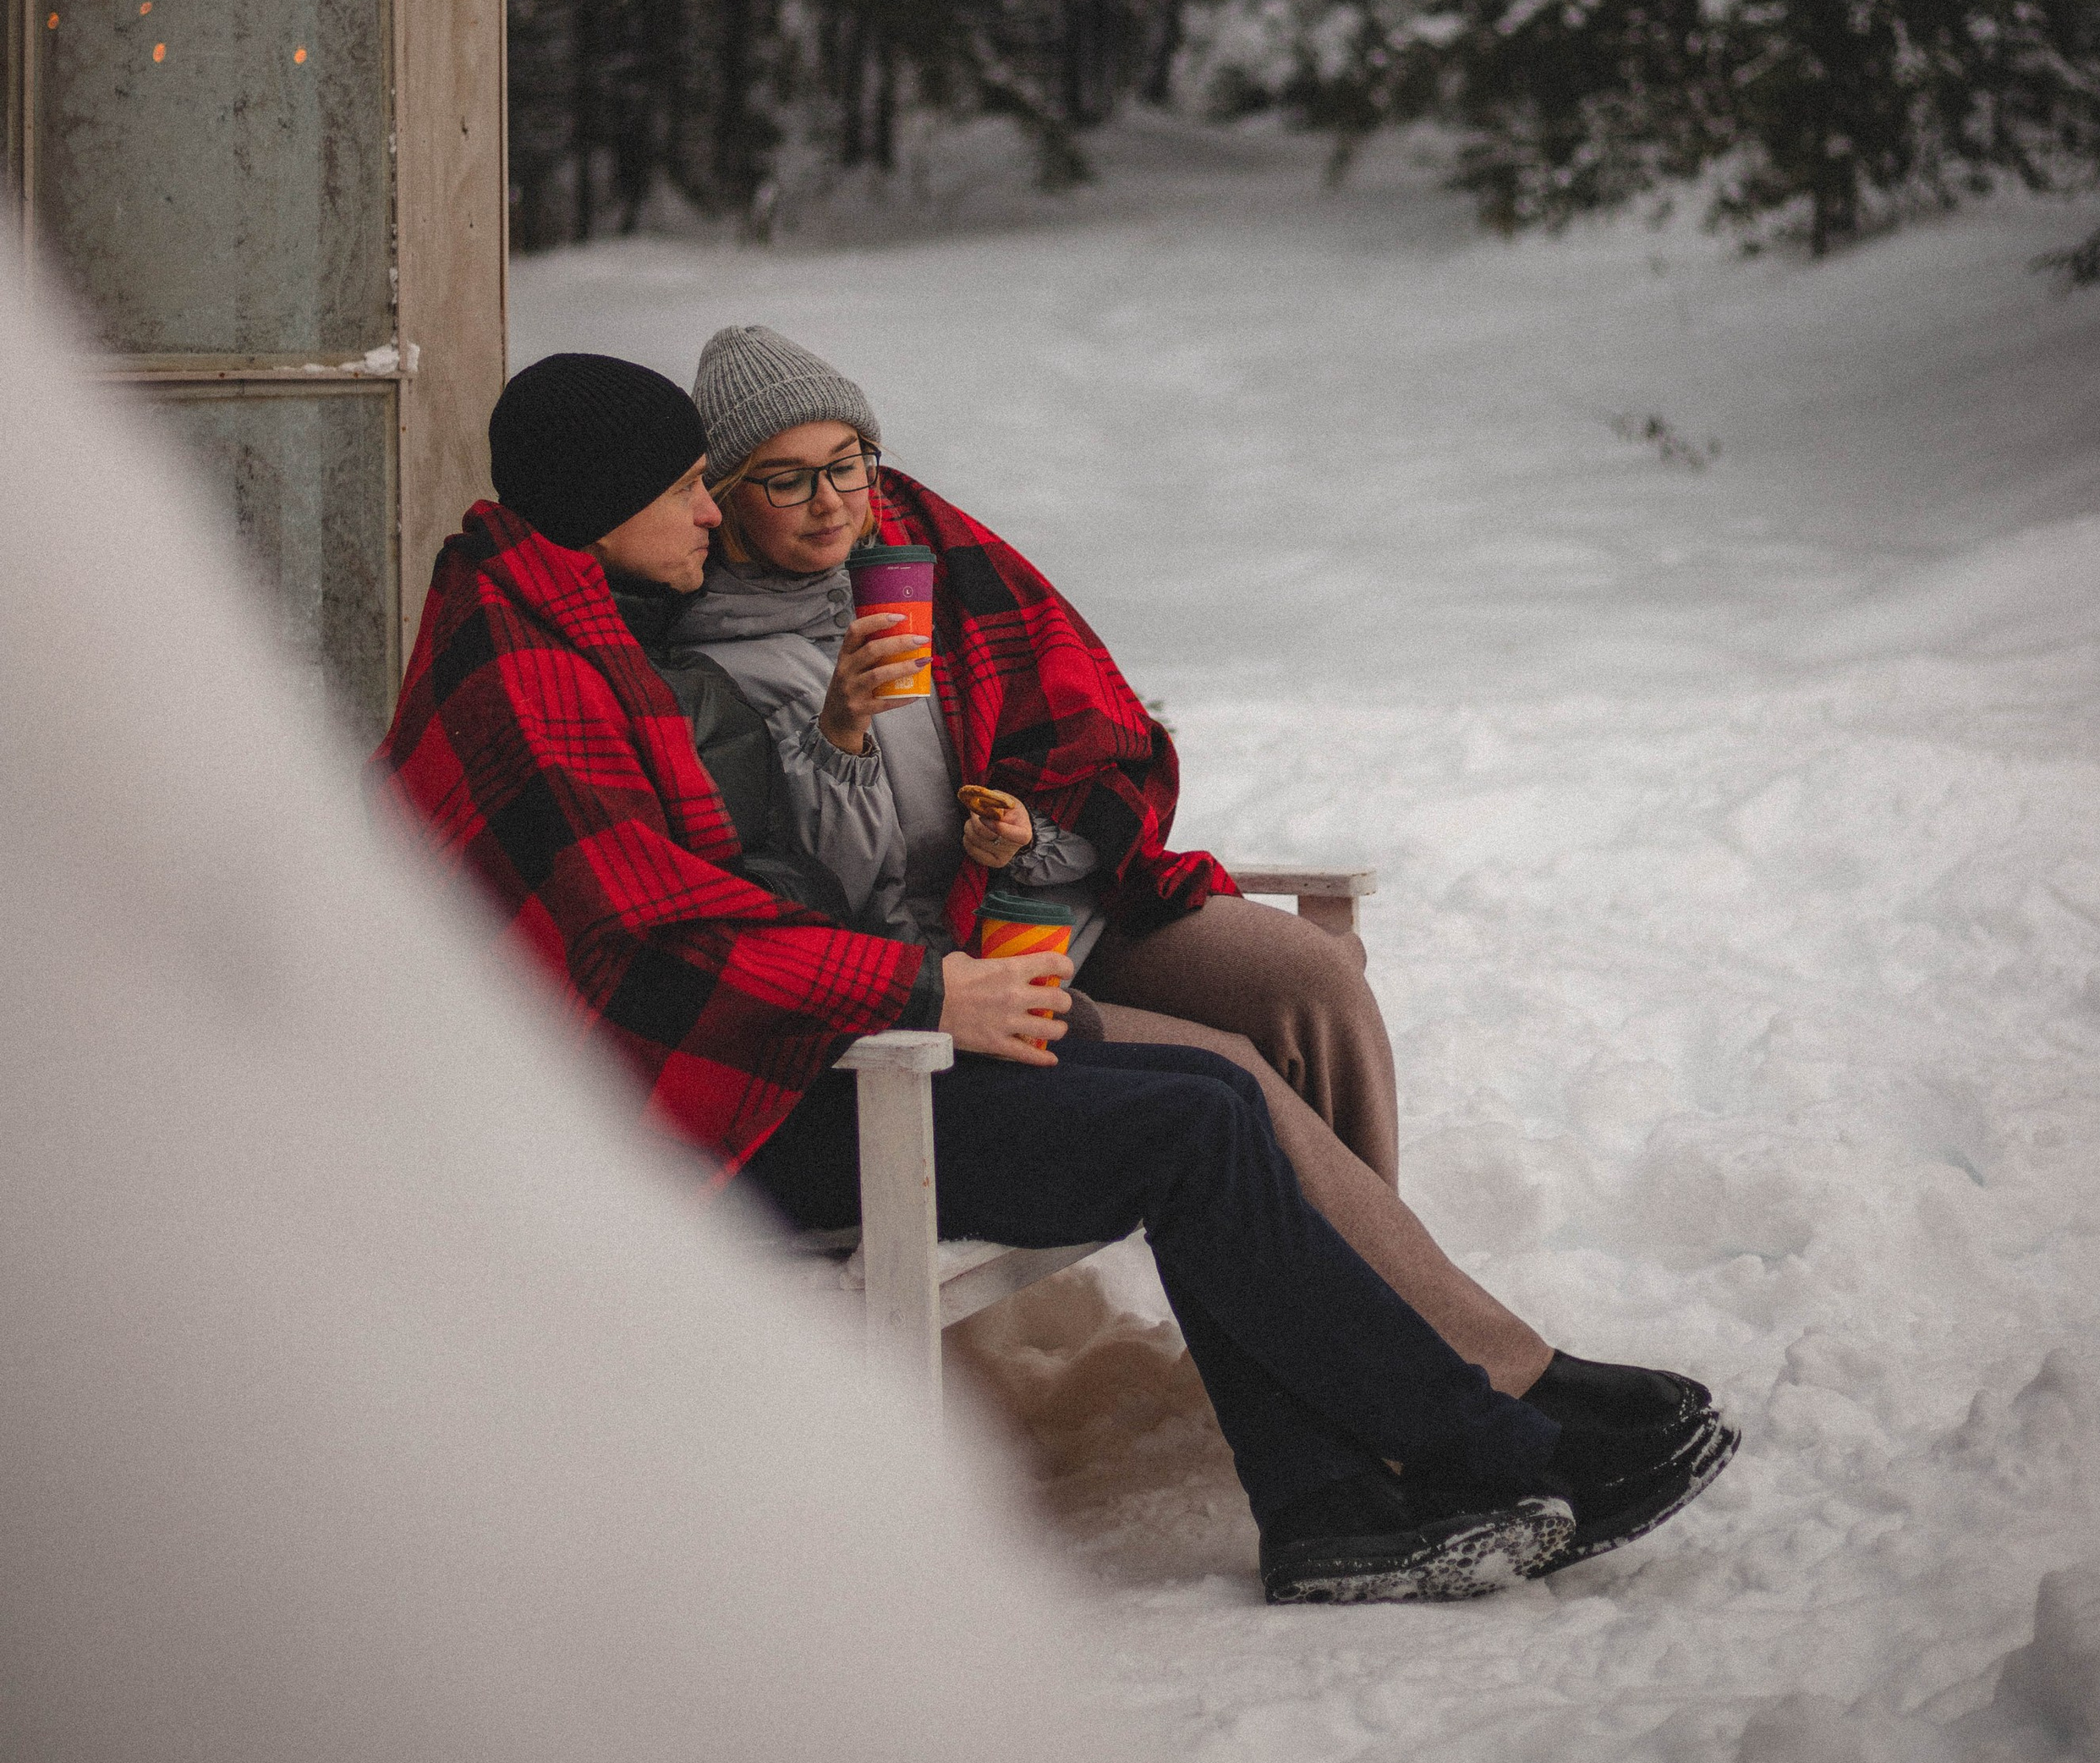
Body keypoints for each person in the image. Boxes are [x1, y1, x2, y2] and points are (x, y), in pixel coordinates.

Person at [383, 349, 1735, 1603]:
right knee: (1200, 1108)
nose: (722, 512)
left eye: (833, 465)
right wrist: (927, 988)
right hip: (754, 1098)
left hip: (856, 1014)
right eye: (701, 487)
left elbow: (735, 901)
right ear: (617, 503)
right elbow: (660, 941)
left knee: (1242, 1051)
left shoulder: (582, 613)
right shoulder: (559, 664)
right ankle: (1482, 1444)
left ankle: (1350, 1485)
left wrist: (1027, 853)